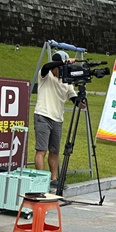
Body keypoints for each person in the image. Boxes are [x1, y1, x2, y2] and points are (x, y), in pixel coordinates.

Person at [34, 50, 84, 188]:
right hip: (43, 115)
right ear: (55, 67)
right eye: (60, 68)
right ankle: (41, 181)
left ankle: (54, 179)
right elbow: (46, 66)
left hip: (57, 119)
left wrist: (80, 102)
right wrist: (63, 62)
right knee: (41, 151)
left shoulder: (67, 82)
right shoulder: (45, 76)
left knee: (54, 151)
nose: (62, 71)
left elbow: (73, 98)